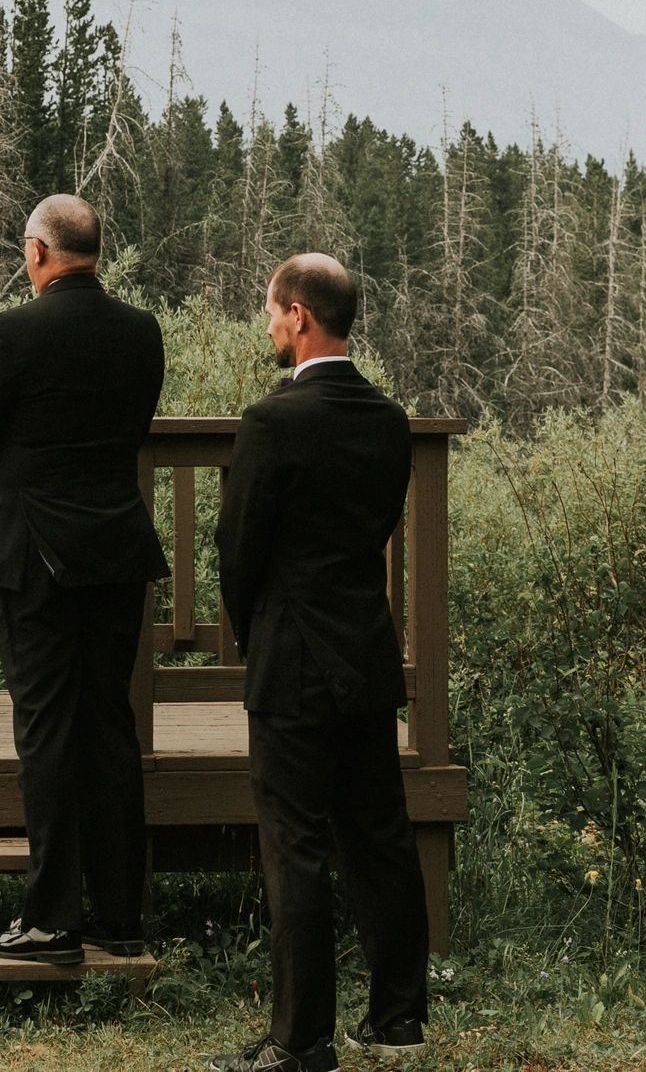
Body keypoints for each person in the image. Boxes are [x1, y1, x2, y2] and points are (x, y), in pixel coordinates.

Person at [207, 254, 431, 1072]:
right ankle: (399, 1015)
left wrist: (255, 625)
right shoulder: (387, 418)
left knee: (294, 843)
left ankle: (301, 1040)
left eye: (271, 311)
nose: (267, 324)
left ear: (299, 315)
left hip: (293, 654)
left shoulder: (273, 421)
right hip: (364, 645)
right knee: (379, 832)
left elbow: (238, 547)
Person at [0, 196, 166, 966]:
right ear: (96, 252)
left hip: (33, 553)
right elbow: (131, 430)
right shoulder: (141, 331)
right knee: (109, 724)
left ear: (37, 252)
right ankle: (117, 913)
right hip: (115, 546)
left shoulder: (12, 330)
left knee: (43, 727)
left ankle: (49, 919)